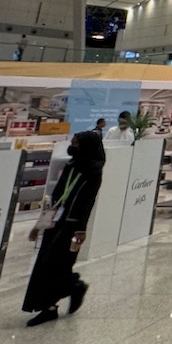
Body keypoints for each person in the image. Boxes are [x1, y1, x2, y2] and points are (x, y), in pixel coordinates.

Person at [23, 131, 105, 326]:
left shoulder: (93, 171)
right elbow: (58, 194)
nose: (73, 146)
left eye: (77, 143)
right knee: (46, 263)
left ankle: (73, 286)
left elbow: (88, 201)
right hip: (55, 220)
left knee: (57, 262)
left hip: (73, 225)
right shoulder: (71, 165)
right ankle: (51, 305)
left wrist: (81, 228)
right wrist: (40, 223)